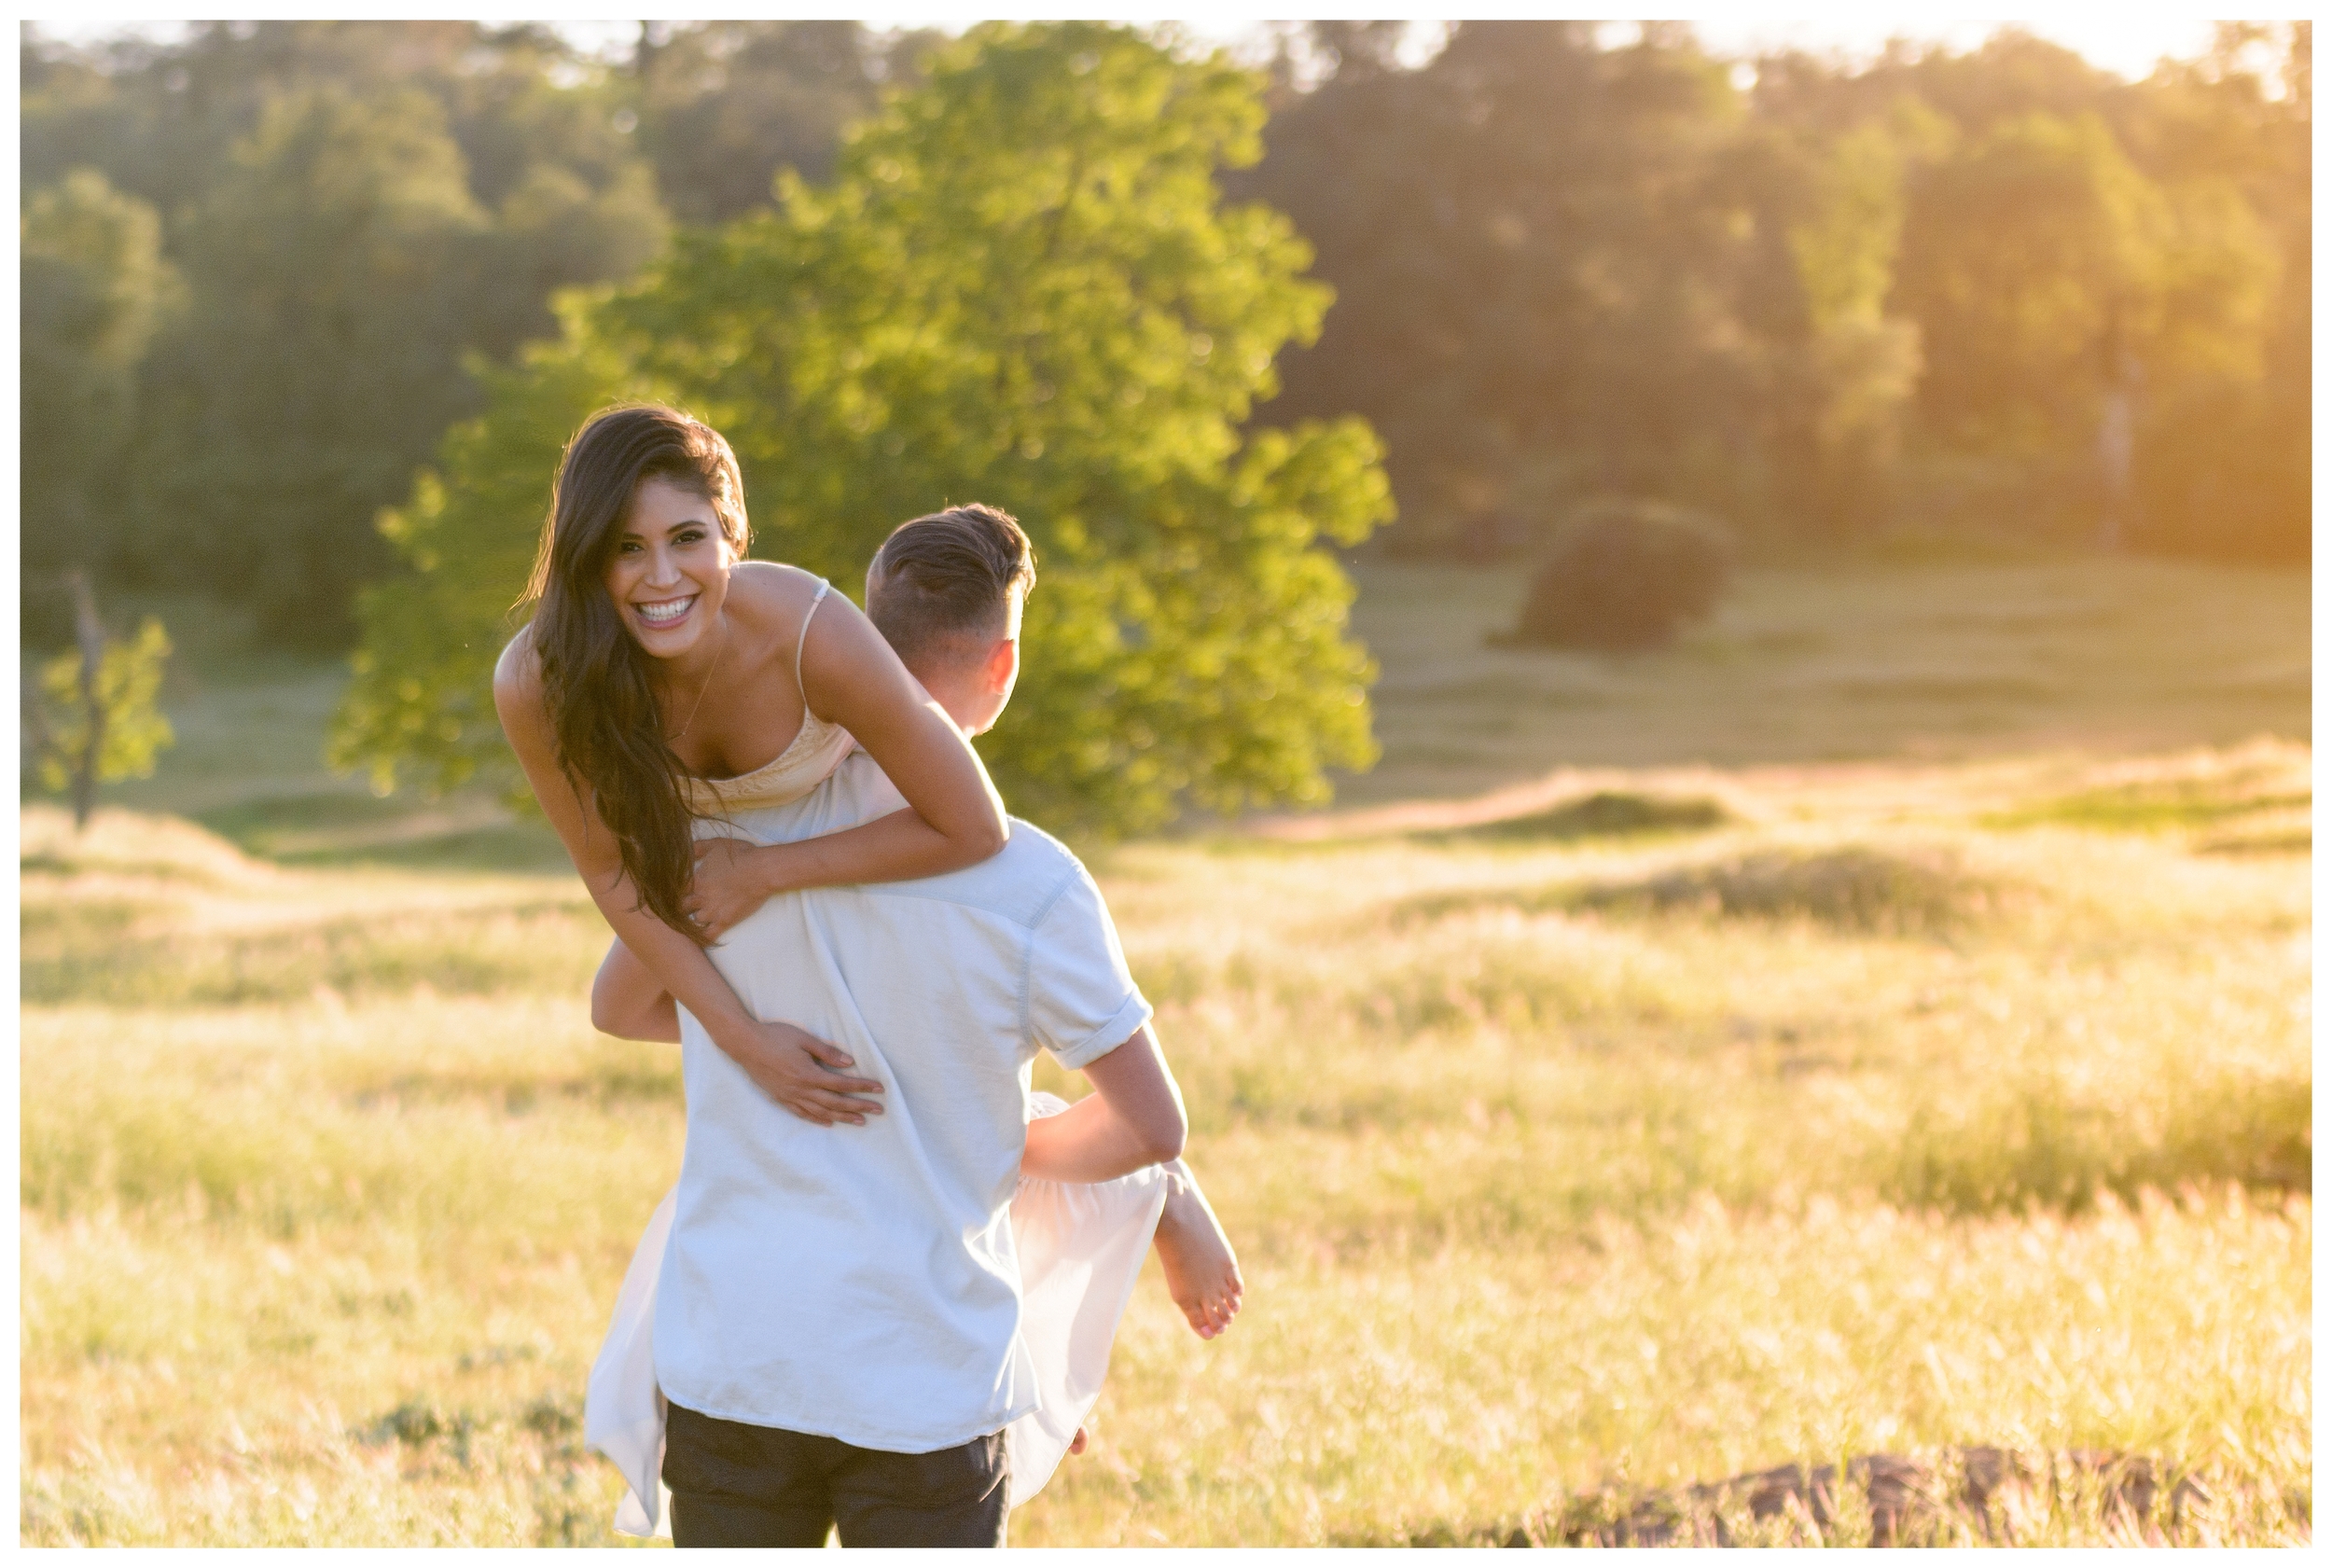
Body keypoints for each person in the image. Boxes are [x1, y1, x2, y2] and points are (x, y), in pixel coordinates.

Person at [582, 502, 1244, 1545]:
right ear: (1004, 663)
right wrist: (992, 1134)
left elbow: (619, 1005)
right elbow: (1152, 1128)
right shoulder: (1032, 882)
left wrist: (745, 1030)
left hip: (737, 1356)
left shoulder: (734, 830)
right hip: (924, 1375)